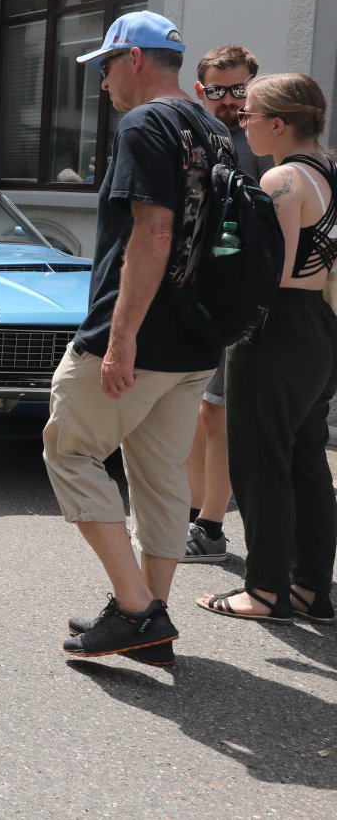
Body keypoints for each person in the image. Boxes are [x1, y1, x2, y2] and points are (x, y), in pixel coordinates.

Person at [44, 12, 230, 666]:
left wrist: (120, 338)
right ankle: (152, 617)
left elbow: (154, 232)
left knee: (69, 450)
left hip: (142, 339)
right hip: (197, 341)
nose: (102, 83)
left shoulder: (145, 124)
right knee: (159, 477)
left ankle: (134, 609)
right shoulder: (214, 129)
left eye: (105, 67)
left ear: (134, 60)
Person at [197, 74, 337, 624]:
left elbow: (271, 271)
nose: (241, 121)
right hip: (319, 324)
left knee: (261, 461)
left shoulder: (283, 178)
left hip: (274, 326)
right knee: (306, 458)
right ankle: (311, 589)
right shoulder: (329, 169)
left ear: (278, 124)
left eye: (248, 114)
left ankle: (265, 591)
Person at [179, 45, 273, 562]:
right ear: (202, 90)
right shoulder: (200, 133)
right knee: (199, 410)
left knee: (218, 413)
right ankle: (196, 515)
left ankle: (212, 527)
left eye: (240, 88)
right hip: (202, 292)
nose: (231, 99)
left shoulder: (262, 142)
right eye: (219, 89)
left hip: (242, 296)